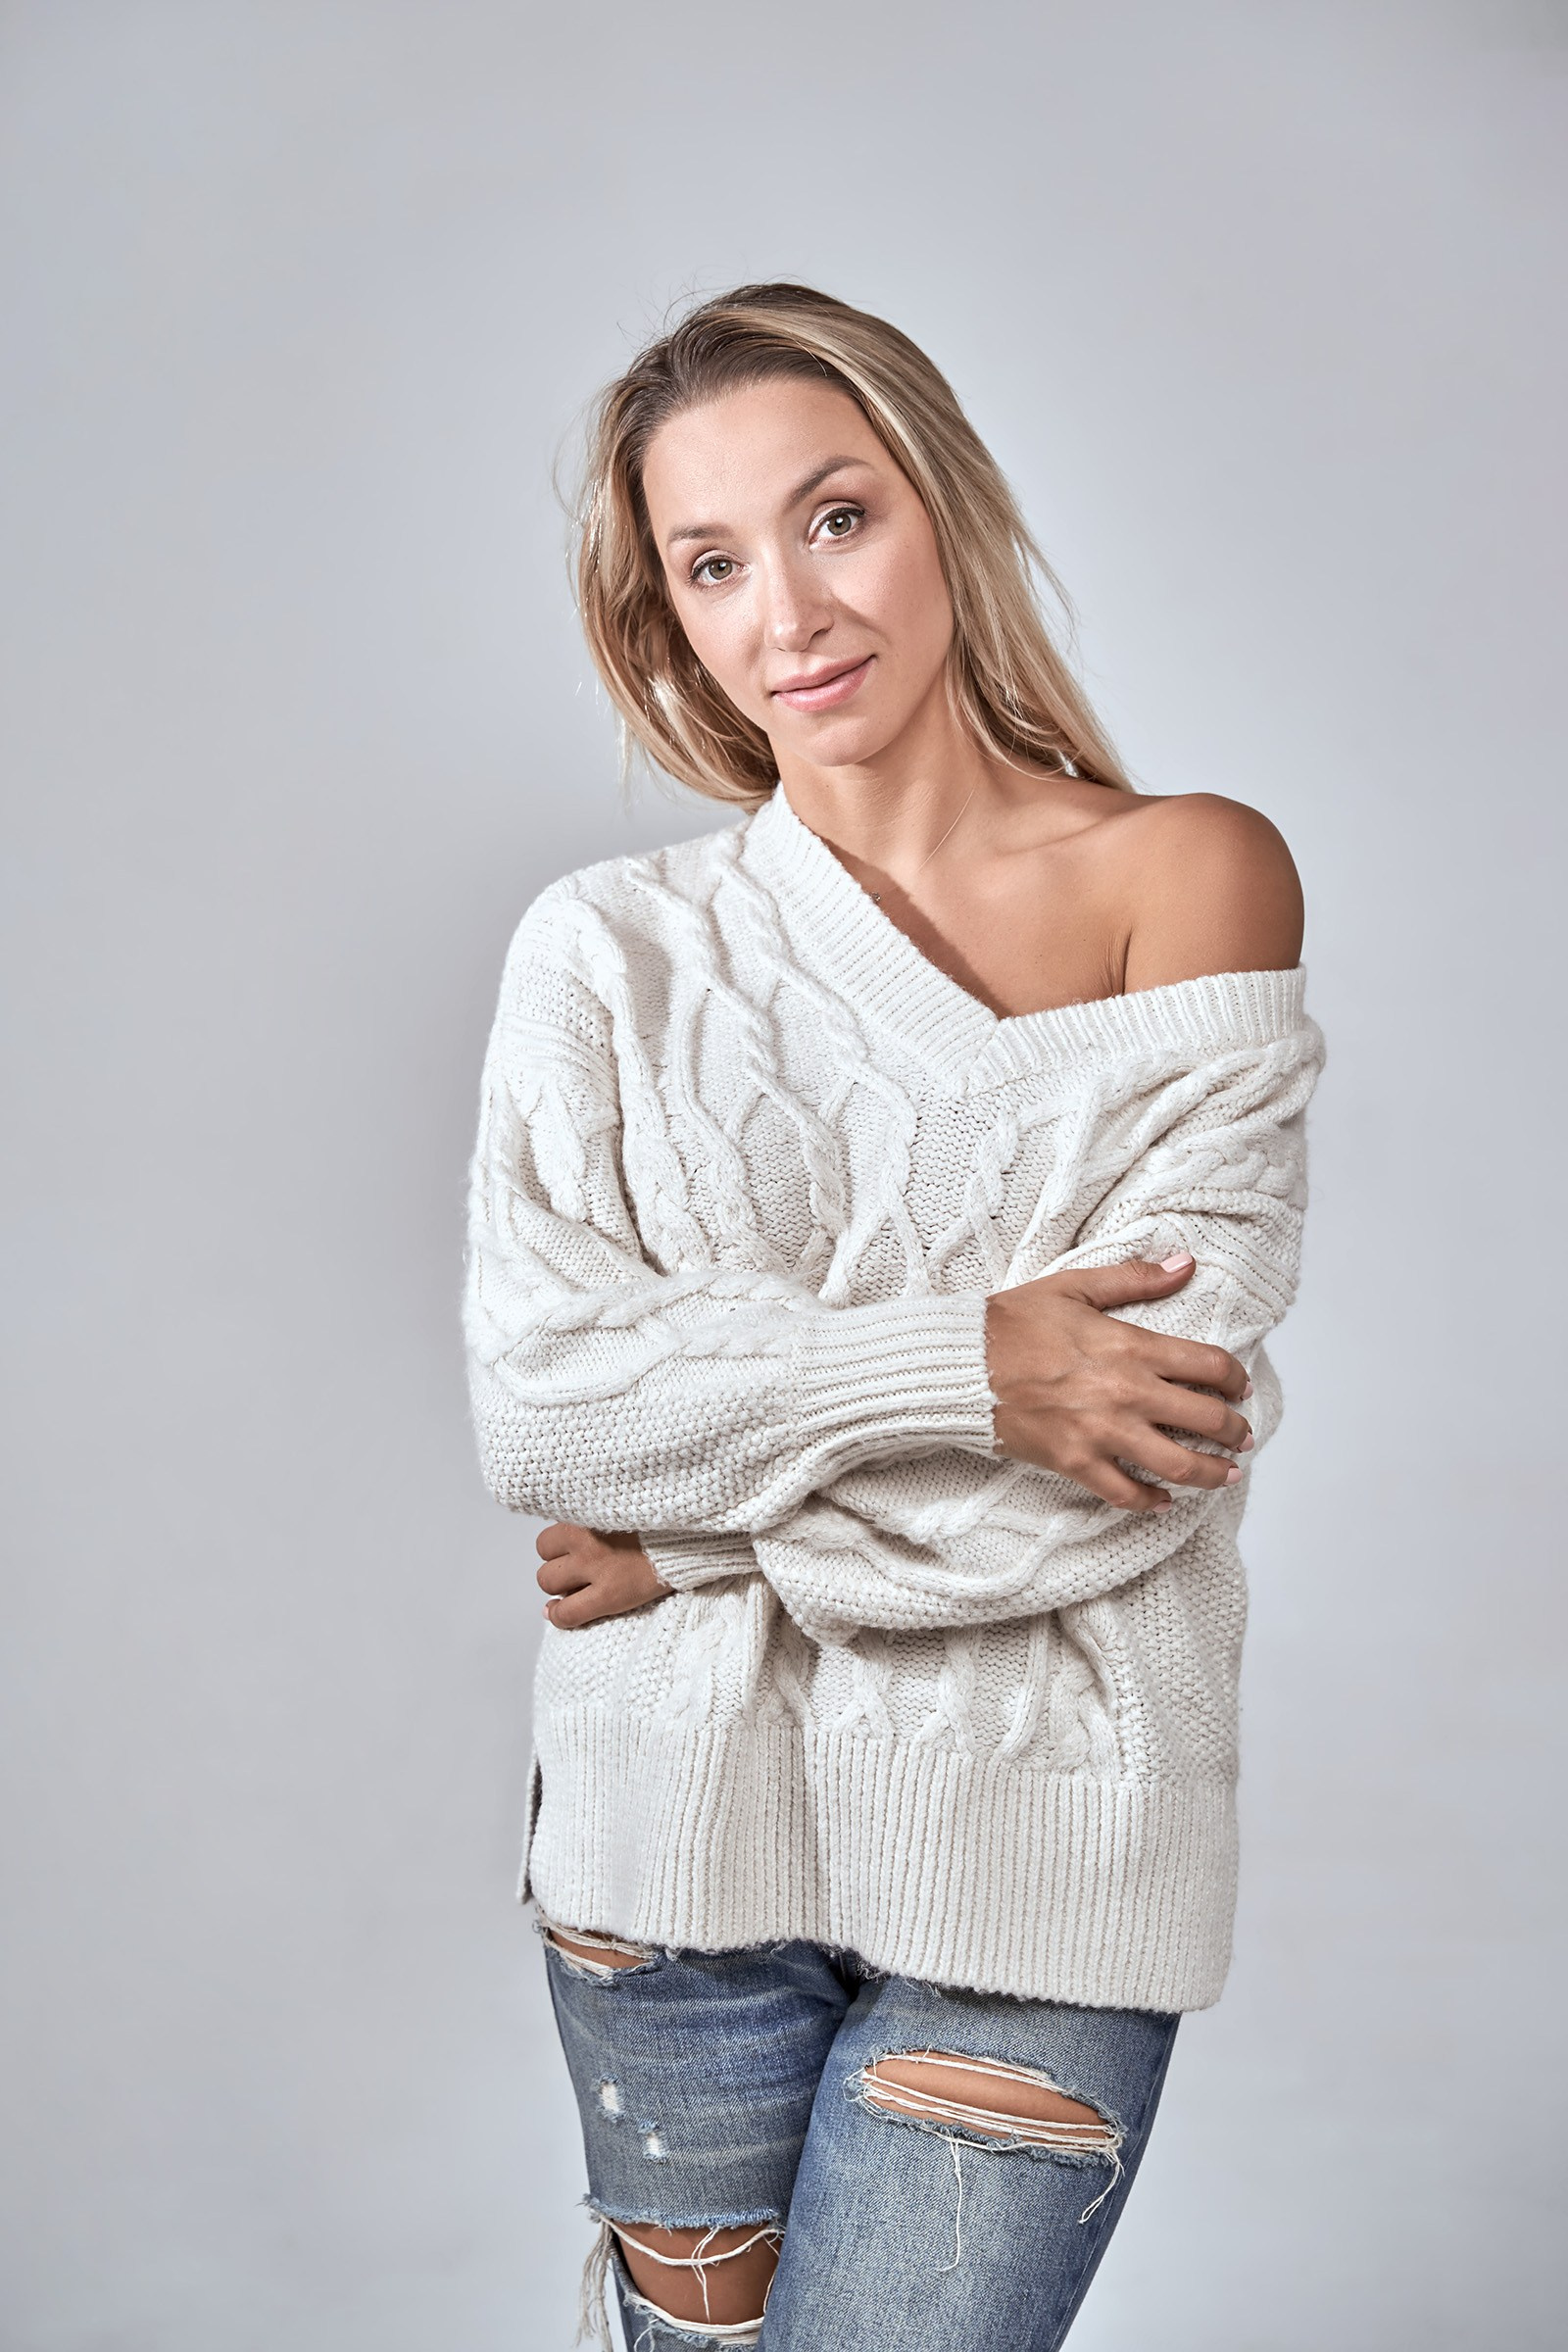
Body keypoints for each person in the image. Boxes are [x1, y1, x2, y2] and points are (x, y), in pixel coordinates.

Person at [463, 281, 1323, 2351]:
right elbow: (544, 1412)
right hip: (662, 1854)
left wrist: (699, 1528)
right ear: (663, 619)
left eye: (833, 517)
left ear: (939, 510)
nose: (788, 608)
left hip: (1039, 1861)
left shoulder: (1187, 876)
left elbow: (1139, 1469)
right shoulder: (608, 955)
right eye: (710, 563)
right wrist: (972, 1370)